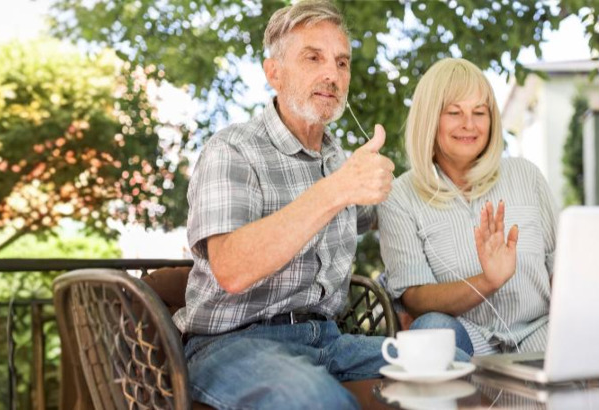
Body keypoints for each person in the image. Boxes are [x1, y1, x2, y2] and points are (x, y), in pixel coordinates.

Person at [173, 2, 463, 408]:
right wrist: (336, 190)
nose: (332, 74)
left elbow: (400, 212)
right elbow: (231, 270)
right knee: (318, 400)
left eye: (342, 63)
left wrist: (453, 163)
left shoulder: (338, 160)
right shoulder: (232, 150)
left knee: (456, 367)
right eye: (313, 57)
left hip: (328, 341)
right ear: (273, 72)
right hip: (230, 346)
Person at [378, 58, 558, 356]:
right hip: (468, 343)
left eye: (479, 112)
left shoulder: (526, 176)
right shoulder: (400, 197)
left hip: (540, 333)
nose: (469, 125)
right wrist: (487, 282)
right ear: (429, 119)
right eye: (454, 113)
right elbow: (414, 299)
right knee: (431, 327)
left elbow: (560, 266)